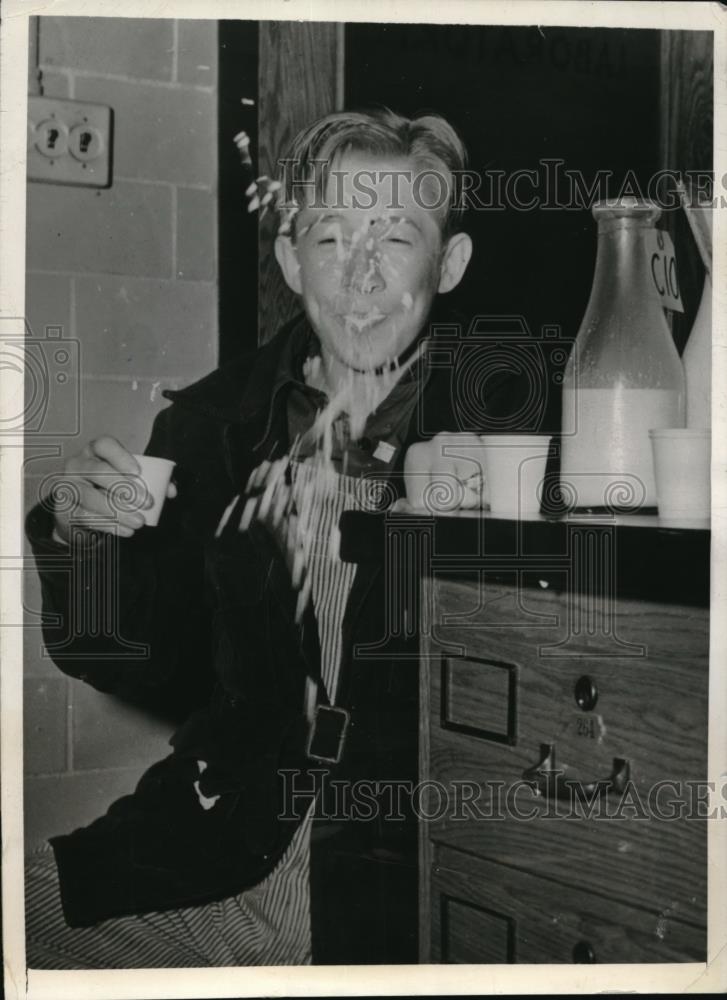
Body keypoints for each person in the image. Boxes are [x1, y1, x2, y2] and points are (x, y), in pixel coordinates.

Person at [25, 107, 526, 968]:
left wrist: (484, 526)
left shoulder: (523, 429)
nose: (361, 276)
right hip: (219, 835)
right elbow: (138, 660)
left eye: (395, 239)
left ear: (449, 264)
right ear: (292, 260)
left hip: (406, 858)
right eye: (332, 238)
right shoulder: (214, 423)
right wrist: (84, 543)